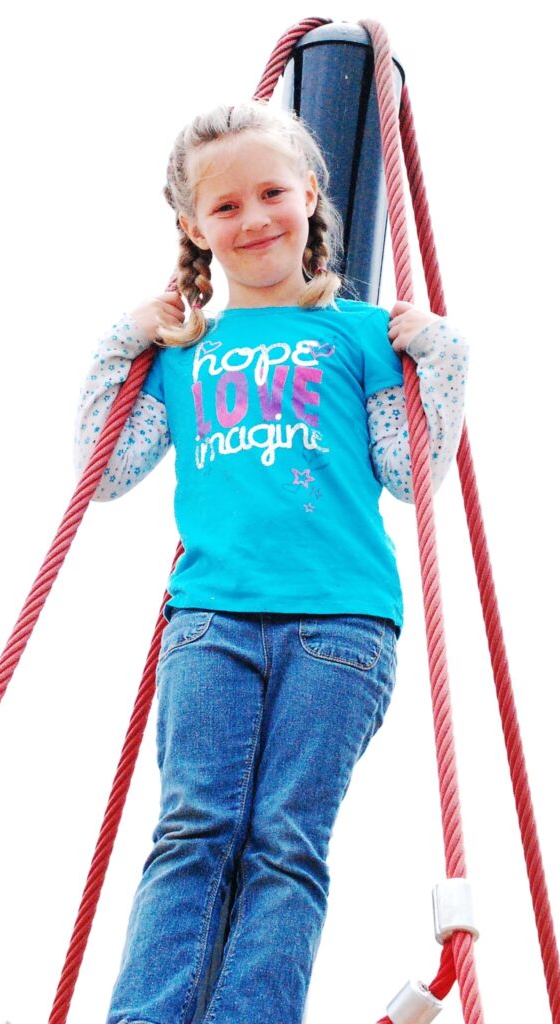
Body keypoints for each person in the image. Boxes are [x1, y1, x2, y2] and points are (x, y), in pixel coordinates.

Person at [72, 99, 469, 1024]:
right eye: (224, 207)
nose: (253, 220)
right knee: (192, 829)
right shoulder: (185, 352)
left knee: (286, 838)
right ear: (191, 226)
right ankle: (148, 1014)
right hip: (210, 617)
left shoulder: (362, 333)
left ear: (311, 195)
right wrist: (121, 340)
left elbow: (410, 474)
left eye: (271, 193)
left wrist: (441, 356)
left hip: (341, 622)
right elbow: (106, 470)